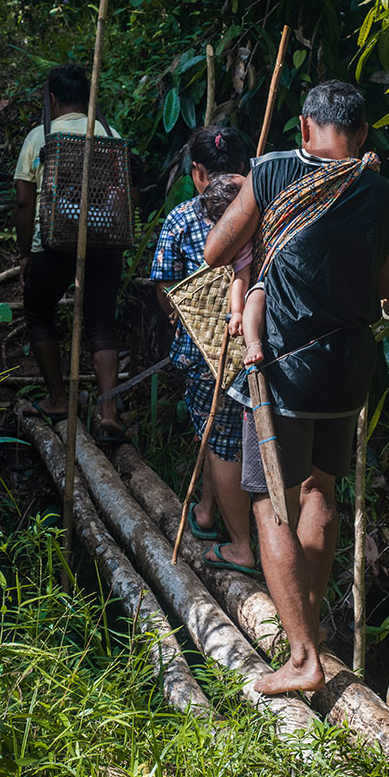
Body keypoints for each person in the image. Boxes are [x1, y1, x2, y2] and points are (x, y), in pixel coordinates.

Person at [204, 80, 389, 695]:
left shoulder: (271, 174)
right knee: (320, 490)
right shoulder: (387, 197)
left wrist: (265, 243)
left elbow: (217, 250)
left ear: (303, 129)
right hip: (348, 370)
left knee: (270, 503)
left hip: (283, 366)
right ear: (363, 135)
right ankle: (311, 630)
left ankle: (301, 659)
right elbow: (386, 294)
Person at [151, 126, 258, 576]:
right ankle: (207, 512)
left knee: (222, 443)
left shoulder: (182, 218)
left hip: (206, 352)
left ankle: (240, 545)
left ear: (197, 172)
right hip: (259, 345)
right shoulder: (263, 212)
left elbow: (165, 288)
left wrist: (178, 312)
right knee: (223, 436)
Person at [15, 63, 129, 441]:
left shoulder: (39, 137)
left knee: (38, 314)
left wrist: (25, 252)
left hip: (52, 242)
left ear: (52, 99)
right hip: (106, 241)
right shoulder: (110, 134)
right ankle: (108, 411)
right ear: (86, 97)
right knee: (100, 323)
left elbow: (23, 203)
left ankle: (57, 398)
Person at [198, 173, 264, 366]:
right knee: (255, 298)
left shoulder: (267, 204)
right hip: (259, 282)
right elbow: (240, 276)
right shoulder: (241, 241)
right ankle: (253, 343)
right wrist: (236, 311)